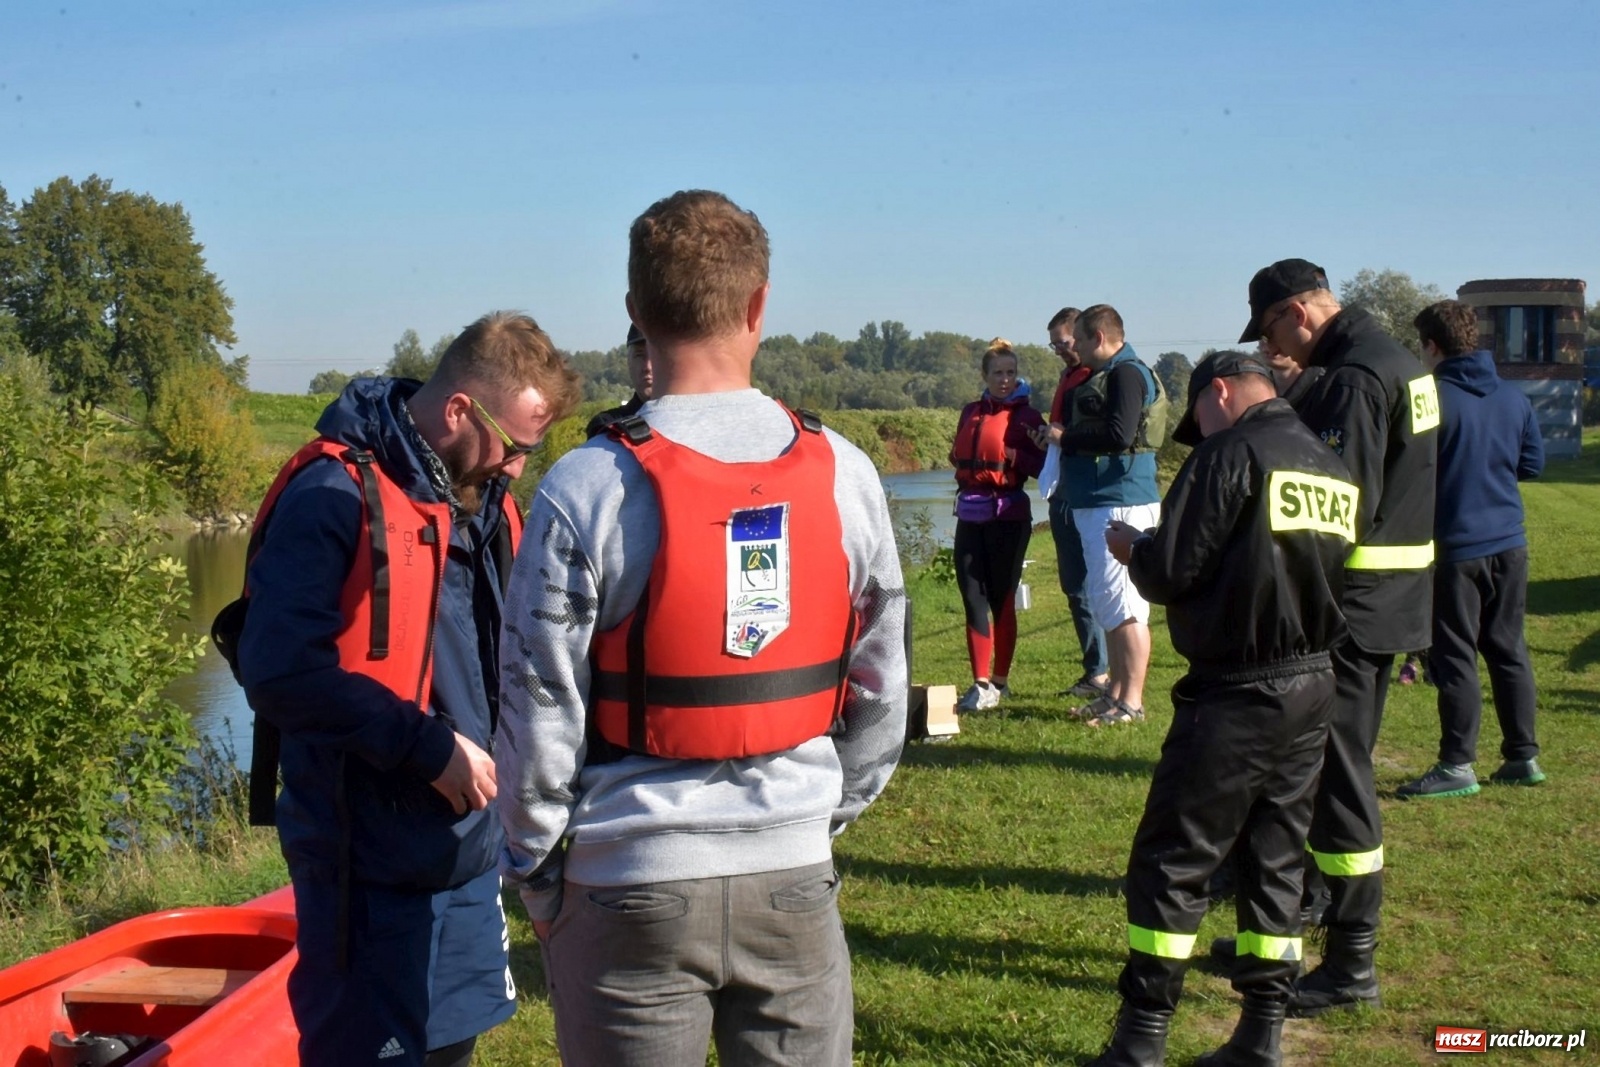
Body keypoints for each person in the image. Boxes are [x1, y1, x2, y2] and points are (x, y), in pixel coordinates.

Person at [496, 189, 909, 1067]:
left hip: (626, 884)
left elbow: (537, 707)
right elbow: (883, 688)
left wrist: (534, 871)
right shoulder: (846, 473)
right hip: (793, 876)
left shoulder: (584, 485)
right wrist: (816, 819)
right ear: (759, 305)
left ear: (636, 314)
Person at [232, 312, 582, 1067]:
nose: (519, 468)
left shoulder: (489, 505)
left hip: (467, 852)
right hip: (364, 863)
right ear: (459, 410)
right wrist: (425, 747)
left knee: (452, 1047)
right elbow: (279, 670)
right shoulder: (332, 494)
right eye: (515, 446)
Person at [1087, 351, 1355, 1067]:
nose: (1198, 432)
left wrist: (1135, 550)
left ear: (1222, 392)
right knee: (1276, 858)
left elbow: (1173, 570)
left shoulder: (1229, 454)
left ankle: (1140, 1039)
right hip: (1313, 682)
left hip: (1238, 687)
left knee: (1173, 859)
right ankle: (1262, 1034)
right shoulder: (1330, 466)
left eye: (1198, 417)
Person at [1240, 258, 1437, 1016]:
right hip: (1394, 599)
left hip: (1350, 606)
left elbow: (1336, 502)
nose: (1273, 347)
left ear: (1298, 312)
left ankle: (1352, 961)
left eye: (1270, 329)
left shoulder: (1353, 379)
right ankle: (1312, 912)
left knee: (1338, 777)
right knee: (1333, 767)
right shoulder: (1400, 361)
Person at [1397, 299, 1546, 798]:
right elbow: (1532, 464)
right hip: (1510, 543)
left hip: (1455, 548)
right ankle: (1522, 755)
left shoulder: (1429, 399)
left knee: (1455, 653)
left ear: (1432, 346)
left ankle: (1457, 763)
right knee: (1508, 647)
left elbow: (1408, 471)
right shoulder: (1513, 397)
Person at [1056, 304, 1169, 726]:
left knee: (1125, 604)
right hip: (1099, 499)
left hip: (1121, 500)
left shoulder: (1126, 374)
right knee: (1108, 601)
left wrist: (1065, 438)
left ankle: (1131, 702)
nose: (1077, 349)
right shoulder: (1111, 373)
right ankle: (1115, 694)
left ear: (1099, 337)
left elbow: (1120, 434)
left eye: (1081, 340)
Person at [950, 337, 1046, 711]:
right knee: (971, 596)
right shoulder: (970, 412)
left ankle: (1001, 682)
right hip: (971, 514)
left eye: (1011, 373)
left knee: (1001, 597)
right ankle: (980, 683)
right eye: (998, 373)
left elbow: (1045, 468)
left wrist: (1014, 455)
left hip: (1009, 517)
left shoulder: (1028, 418)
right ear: (985, 375)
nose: (1005, 380)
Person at [1034, 306, 1110, 700]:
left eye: (1063, 343)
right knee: (1074, 586)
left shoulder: (1100, 379)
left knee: (1101, 584)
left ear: (1080, 335)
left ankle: (1108, 673)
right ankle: (1096, 670)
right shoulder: (1068, 377)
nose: (1061, 351)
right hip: (1062, 491)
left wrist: (1063, 436)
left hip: (1088, 494)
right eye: (1055, 346)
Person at [584, 322, 654, 438]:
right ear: (628, 362)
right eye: (639, 355)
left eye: (655, 355)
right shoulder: (605, 427)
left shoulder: (686, 422)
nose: (647, 367)